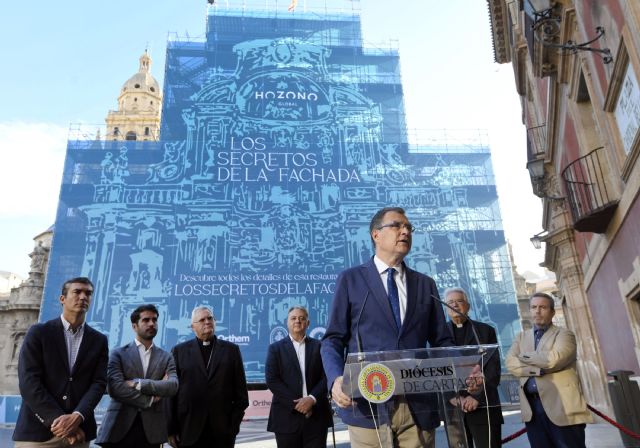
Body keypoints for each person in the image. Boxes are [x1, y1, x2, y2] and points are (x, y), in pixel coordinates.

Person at [321, 206, 455, 448]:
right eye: (397, 225)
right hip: (368, 404)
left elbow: (442, 341)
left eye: (408, 227)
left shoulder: (425, 284)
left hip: (418, 406)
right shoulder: (351, 279)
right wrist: (336, 379)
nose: (405, 231)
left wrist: (462, 368)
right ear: (376, 234)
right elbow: (332, 339)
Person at [13, 277, 109, 447]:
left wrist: (77, 417)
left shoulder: (99, 340)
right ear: (62, 299)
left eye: (88, 293)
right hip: (39, 434)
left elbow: (98, 383)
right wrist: (61, 422)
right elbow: (29, 381)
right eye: (77, 292)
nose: (83, 297)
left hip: (79, 435)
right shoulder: (39, 333)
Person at [505, 292, 592, 448]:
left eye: (543, 307)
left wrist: (523, 356)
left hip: (562, 407)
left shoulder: (564, 334)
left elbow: (554, 360)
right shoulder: (520, 337)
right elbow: (510, 364)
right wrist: (538, 370)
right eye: (534, 307)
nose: (537, 311)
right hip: (532, 410)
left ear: (552, 312)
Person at [96, 304, 178, 447]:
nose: (152, 323)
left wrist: (137, 383)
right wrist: (151, 399)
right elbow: (115, 388)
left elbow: (172, 386)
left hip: (151, 433)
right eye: (146, 320)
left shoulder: (166, 357)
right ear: (134, 326)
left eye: (154, 320)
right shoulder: (118, 354)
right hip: (118, 428)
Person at [168, 306, 249, 448]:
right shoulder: (179, 351)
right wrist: (171, 429)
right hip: (187, 429)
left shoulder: (231, 350)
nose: (207, 322)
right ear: (193, 326)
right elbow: (171, 395)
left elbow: (241, 396)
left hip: (222, 432)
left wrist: (233, 427)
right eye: (202, 319)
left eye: (210, 318)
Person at [265, 306, 333, 448]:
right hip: (286, 418)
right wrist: (299, 404)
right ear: (287, 322)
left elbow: (327, 376)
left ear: (308, 323)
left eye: (302, 318)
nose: (298, 321)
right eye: (294, 318)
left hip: (316, 416)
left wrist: (311, 399)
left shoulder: (320, 346)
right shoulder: (275, 349)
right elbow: (272, 380)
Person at [443, 287, 503, 448]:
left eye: (459, 301)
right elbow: (436, 371)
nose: (454, 305)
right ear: (445, 308)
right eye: (450, 302)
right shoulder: (439, 335)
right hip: (454, 411)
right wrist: (455, 397)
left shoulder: (485, 331)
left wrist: (476, 396)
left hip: (484, 406)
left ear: (468, 306)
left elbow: (493, 369)